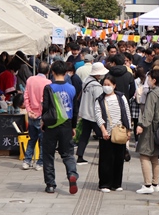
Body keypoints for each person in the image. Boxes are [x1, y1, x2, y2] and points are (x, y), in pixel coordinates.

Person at [41, 60, 79, 195]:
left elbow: (45, 108)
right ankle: (72, 174)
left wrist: (43, 122)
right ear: (65, 72)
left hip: (51, 125)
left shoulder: (49, 87)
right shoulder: (72, 88)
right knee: (68, 153)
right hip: (67, 125)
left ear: (53, 72)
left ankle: (50, 184)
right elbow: (75, 110)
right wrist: (73, 126)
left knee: (48, 154)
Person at [94, 75, 132, 192]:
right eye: (104, 85)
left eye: (108, 85)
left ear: (114, 86)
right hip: (106, 133)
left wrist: (128, 130)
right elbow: (98, 115)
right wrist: (103, 130)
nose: (106, 87)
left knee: (118, 158)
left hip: (120, 131)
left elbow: (127, 113)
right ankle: (105, 184)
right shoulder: (99, 100)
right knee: (106, 159)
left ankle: (116, 183)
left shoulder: (121, 98)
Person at [135, 68, 159, 194]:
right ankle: (155, 183)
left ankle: (148, 184)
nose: (147, 81)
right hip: (158, 127)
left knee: (144, 155)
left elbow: (148, 113)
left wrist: (141, 125)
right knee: (154, 156)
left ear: (154, 80)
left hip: (149, 128)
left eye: (149, 79)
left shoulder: (152, 94)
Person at [75, 62, 107, 165]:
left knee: (85, 134)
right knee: (102, 135)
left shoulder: (86, 81)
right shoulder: (96, 86)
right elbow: (99, 101)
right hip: (93, 114)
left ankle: (80, 155)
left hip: (85, 113)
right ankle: (104, 157)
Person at [22, 62, 51, 171]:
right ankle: (40, 162)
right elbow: (45, 101)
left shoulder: (30, 80)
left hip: (31, 115)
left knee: (32, 139)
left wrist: (29, 111)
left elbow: (26, 97)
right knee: (43, 141)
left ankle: (27, 160)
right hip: (41, 116)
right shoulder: (48, 82)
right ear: (47, 72)